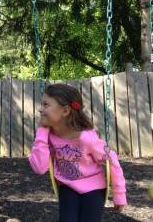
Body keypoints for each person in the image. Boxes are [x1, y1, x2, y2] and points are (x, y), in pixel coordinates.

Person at [28, 83, 127, 222]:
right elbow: (39, 168)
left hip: (94, 186)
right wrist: (42, 132)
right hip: (67, 186)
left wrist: (119, 195)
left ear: (65, 111)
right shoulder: (47, 136)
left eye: (46, 105)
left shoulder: (87, 138)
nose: (40, 109)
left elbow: (112, 160)